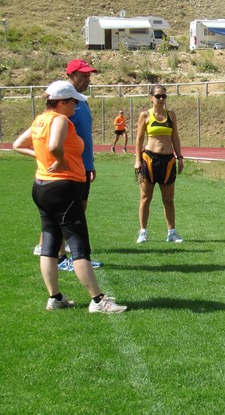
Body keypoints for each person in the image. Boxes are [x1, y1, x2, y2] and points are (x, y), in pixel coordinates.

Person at [13, 81, 127, 313]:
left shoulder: (40, 119)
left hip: (42, 185)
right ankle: (98, 300)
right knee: (78, 245)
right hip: (62, 188)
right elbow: (55, 145)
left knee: (50, 243)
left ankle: (55, 298)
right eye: (73, 101)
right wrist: (60, 161)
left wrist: (45, 159)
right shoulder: (60, 119)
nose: (76, 104)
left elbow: (18, 144)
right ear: (62, 102)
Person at [33, 59, 104, 270]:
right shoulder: (63, 105)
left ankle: (50, 248)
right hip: (67, 170)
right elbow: (53, 140)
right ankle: (62, 256)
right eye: (84, 76)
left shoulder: (81, 101)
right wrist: (58, 160)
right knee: (68, 215)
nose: (88, 80)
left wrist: (89, 164)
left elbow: (83, 136)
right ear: (71, 76)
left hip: (81, 165)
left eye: (89, 76)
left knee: (76, 211)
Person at [134, 84, 185, 244]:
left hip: (168, 160)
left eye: (164, 96)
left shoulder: (171, 115)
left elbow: (175, 137)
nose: (161, 99)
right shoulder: (145, 115)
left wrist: (180, 157)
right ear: (151, 98)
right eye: (158, 96)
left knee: (168, 200)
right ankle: (143, 232)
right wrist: (137, 160)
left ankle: (172, 232)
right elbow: (139, 139)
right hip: (149, 159)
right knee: (145, 198)